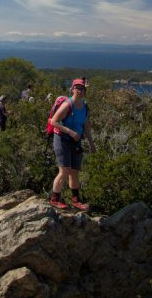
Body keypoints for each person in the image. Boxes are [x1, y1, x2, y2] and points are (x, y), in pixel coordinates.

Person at [48, 78, 96, 210]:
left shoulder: (84, 106)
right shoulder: (68, 105)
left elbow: (86, 126)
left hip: (76, 141)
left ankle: (76, 200)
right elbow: (54, 121)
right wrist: (70, 132)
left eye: (82, 89)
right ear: (73, 89)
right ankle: (54, 199)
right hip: (62, 139)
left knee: (74, 171)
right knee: (64, 171)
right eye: (78, 88)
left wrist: (91, 143)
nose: (80, 91)